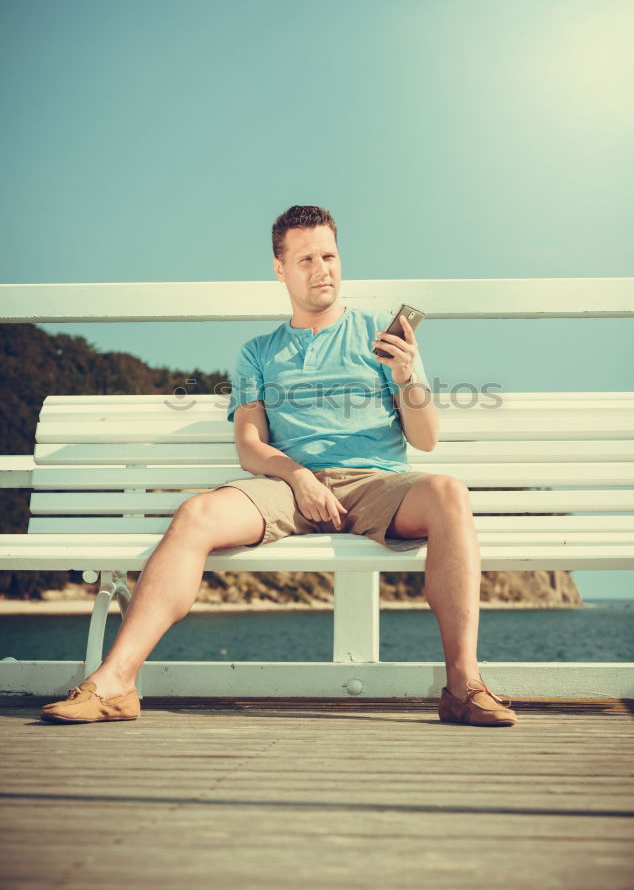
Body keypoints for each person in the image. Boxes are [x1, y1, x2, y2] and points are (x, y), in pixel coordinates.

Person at [41, 204, 517, 727]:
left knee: (450, 493)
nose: (322, 269)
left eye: (330, 256)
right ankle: (114, 683)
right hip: (288, 486)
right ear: (280, 268)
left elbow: (426, 440)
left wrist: (407, 376)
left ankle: (463, 686)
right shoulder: (259, 353)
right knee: (196, 516)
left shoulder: (381, 339)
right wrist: (298, 477)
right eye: (306, 258)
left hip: (375, 482)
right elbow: (249, 445)